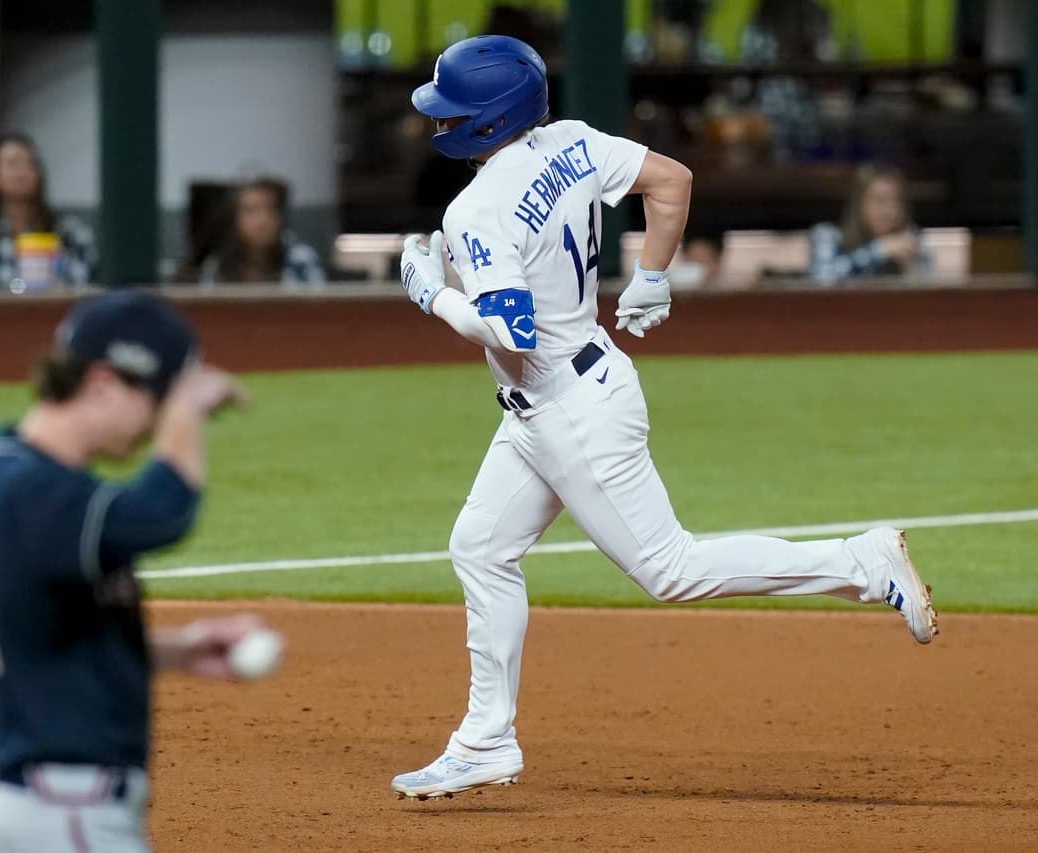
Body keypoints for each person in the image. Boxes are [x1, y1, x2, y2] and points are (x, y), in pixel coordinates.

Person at [390, 35, 938, 802]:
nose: (439, 123)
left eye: (452, 112)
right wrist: (650, 276)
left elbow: (508, 329)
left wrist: (430, 292)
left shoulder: (476, 209)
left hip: (572, 412)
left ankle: (860, 560)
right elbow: (671, 181)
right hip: (564, 394)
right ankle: (486, 738)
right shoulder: (572, 142)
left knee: (671, 570)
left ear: (487, 120)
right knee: (480, 548)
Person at [0, 289, 277, 852]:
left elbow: (47, 640)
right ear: (103, 382)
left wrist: (180, 649)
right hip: (66, 812)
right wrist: (186, 410)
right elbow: (160, 514)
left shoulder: (12, 474)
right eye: (154, 404)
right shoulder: (35, 491)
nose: (154, 425)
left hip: (30, 806)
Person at [0, 133, 96, 290]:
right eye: (12, 164)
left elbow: (85, 294)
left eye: (30, 164)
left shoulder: (69, 232)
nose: (22, 172)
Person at [809, 165, 931, 283]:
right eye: (879, 201)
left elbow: (928, 288)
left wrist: (911, 266)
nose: (889, 211)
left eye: (897, 201)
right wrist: (876, 252)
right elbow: (822, 280)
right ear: (859, 205)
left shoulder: (911, 238)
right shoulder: (828, 235)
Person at [197, 177, 323, 286]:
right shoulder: (217, 267)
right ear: (234, 221)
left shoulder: (300, 260)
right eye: (251, 211)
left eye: (270, 209)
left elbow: (322, 308)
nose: (262, 220)